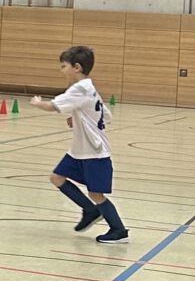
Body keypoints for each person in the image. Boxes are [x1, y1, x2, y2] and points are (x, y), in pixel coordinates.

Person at [29, 45, 128, 244]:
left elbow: (54, 106)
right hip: (79, 150)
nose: (62, 70)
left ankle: (118, 230)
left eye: (64, 66)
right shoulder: (89, 89)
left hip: (93, 151)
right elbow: (105, 115)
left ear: (77, 67)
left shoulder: (80, 88)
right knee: (57, 178)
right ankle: (90, 210)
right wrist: (78, 119)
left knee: (96, 193)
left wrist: (38, 103)